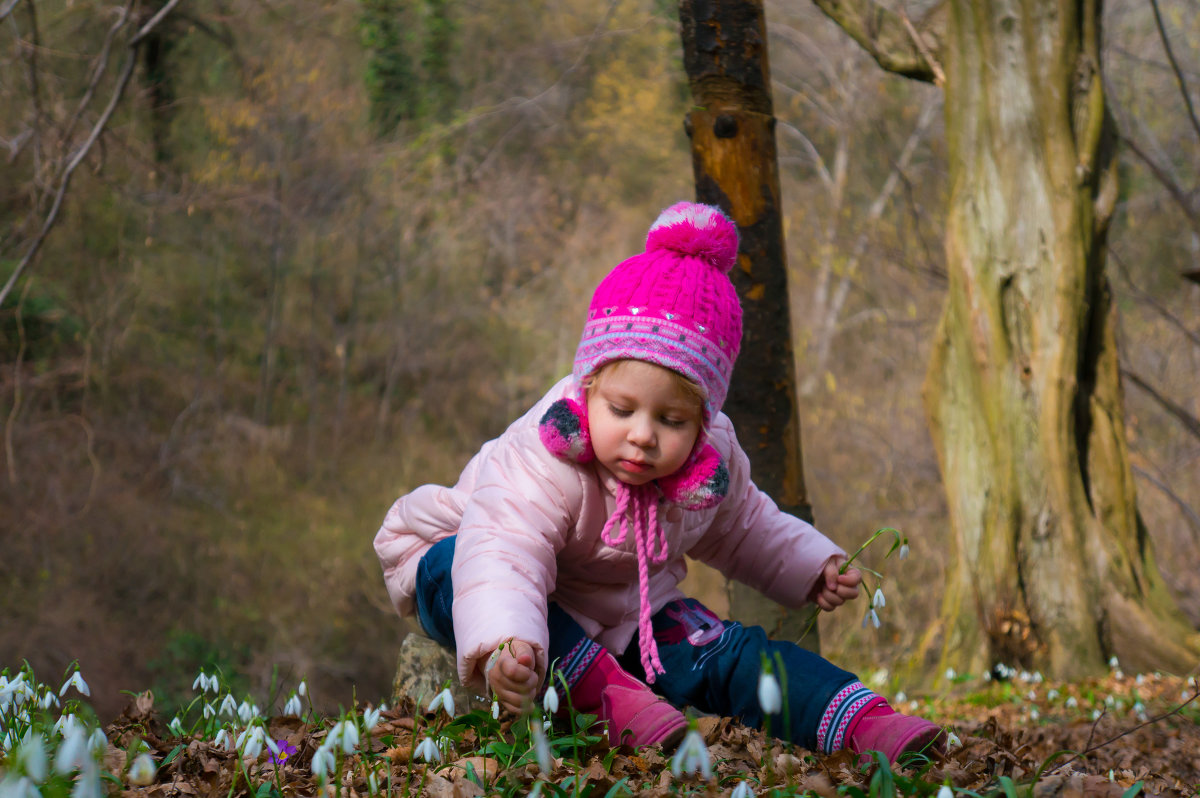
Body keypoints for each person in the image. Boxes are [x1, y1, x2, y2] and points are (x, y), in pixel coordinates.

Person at [374, 202, 943, 762]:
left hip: (622, 615)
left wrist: (812, 563)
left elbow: (748, 524)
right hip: (464, 564)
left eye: (671, 421)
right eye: (622, 410)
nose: (642, 436)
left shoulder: (707, 465)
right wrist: (508, 642)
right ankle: (612, 700)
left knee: (720, 650)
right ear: (589, 386)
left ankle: (860, 721)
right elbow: (504, 551)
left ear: (703, 421)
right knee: (470, 571)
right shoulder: (546, 456)